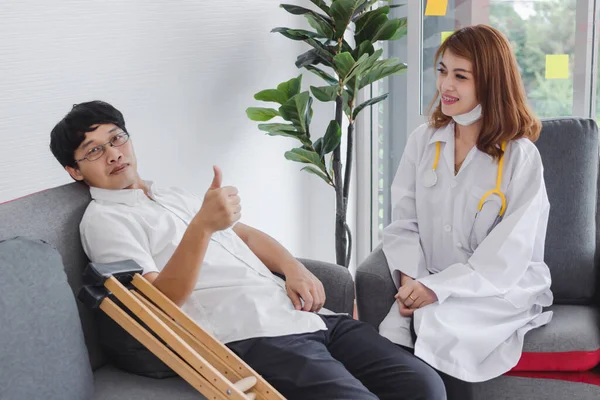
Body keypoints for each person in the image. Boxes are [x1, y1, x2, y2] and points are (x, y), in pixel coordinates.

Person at [49, 100, 446, 400]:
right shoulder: (104, 221)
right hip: (251, 337)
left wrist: (293, 268)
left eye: (116, 138)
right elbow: (157, 305)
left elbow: (249, 237)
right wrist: (203, 226)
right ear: (75, 170)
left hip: (305, 317)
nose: (114, 153)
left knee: (424, 386)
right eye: (94, 150)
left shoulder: (171, 194)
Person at [378, 24, 554, 400]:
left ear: (490, 83)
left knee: (440, 325)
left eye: (461, 76)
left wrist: (435, 290)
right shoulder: (422, 141)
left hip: (496, 289)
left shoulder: (520, 157)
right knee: (400, 328)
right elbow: (403, 224)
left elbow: (508, 257)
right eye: (442, 70)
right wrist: (413, 282)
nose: (445, 85)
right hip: (428, 279)